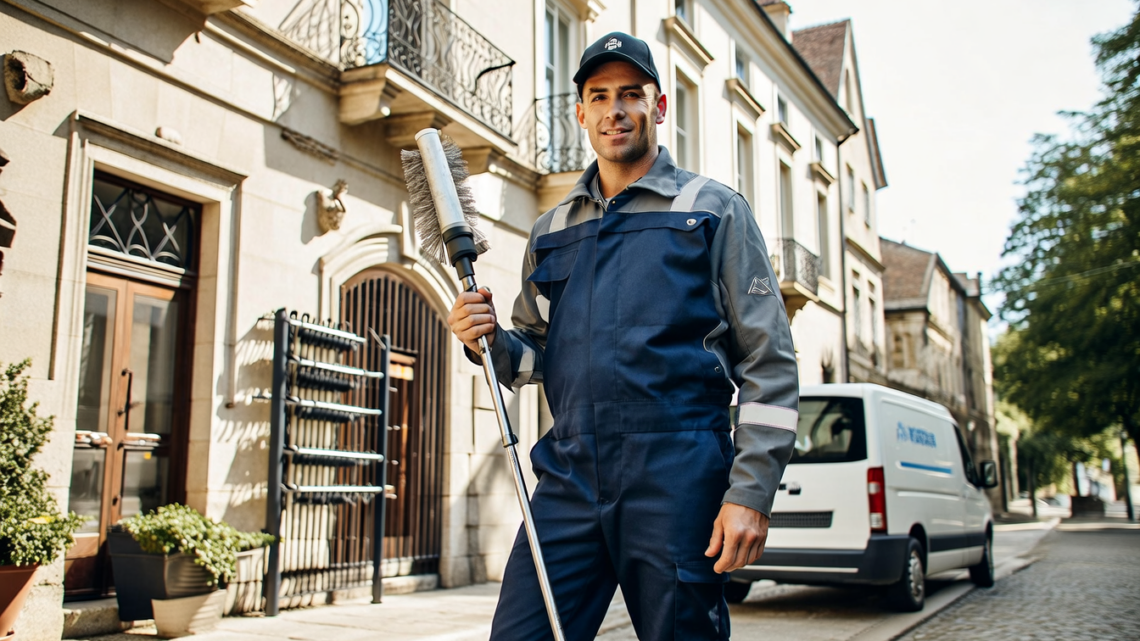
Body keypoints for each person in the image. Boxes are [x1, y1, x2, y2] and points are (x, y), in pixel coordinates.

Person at [448, 31, 798, 640]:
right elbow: (536, 358)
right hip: (570, 475)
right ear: (580, 111)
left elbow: (769, 361)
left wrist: (751, 491)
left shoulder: (711, 210)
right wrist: (491, 340)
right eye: (599, 95)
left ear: (658, 107)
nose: (616, 109)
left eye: (631, 94)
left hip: (678, 476)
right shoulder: (551, 230)